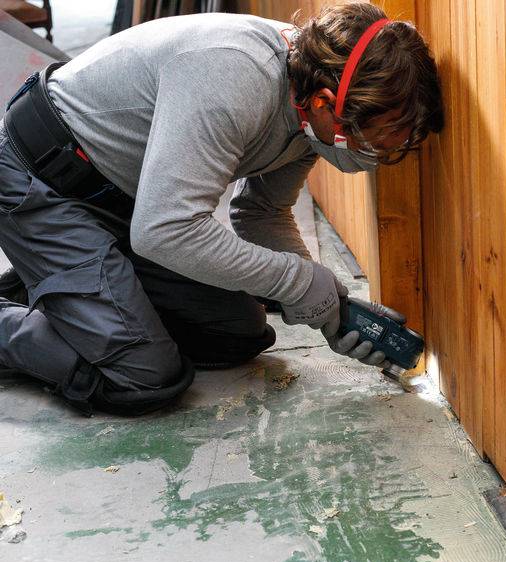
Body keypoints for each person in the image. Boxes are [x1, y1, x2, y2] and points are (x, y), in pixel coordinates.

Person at [0, 2, 443, 415]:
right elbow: (167, 230)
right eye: (377, 136)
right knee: (144, 376)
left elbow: (260, 214)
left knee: (235, 335)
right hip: (39, 177)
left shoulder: (310, 109)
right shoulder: (232, 75)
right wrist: (296, 281)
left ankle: (64, 287)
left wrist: (330, 307)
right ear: (327, 102)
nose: (378, 152)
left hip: (120, 197)